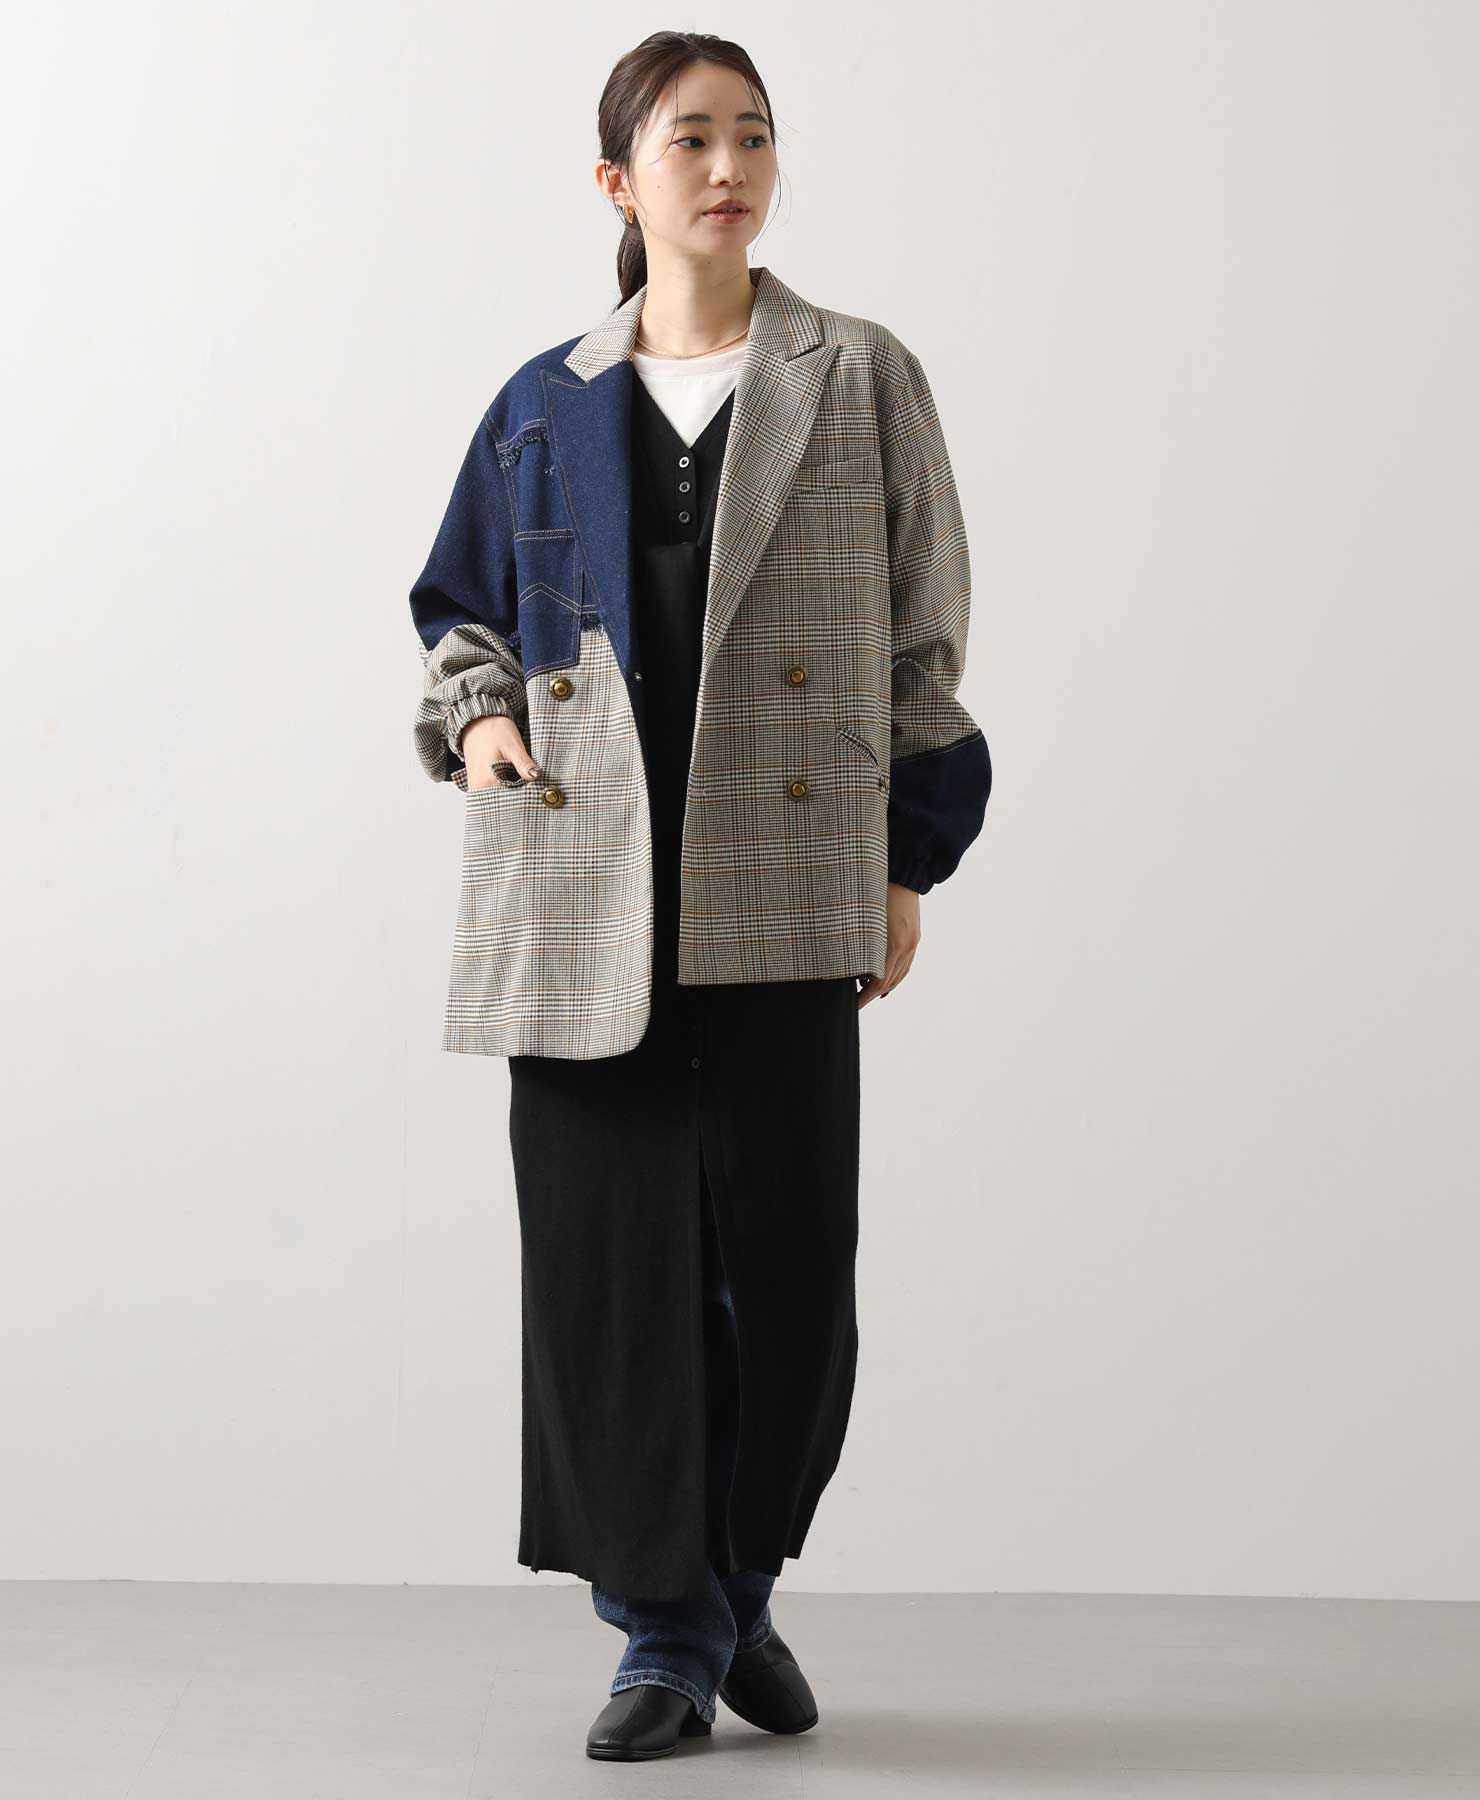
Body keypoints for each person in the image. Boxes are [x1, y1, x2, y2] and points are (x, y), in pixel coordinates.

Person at [408, 31, 992, 1763]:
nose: (728, 167)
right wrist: (481, 718)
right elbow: (457, 610)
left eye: (752, 135)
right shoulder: (542, 401)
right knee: (611, 1279)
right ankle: (664, 1632)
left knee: (778, 1268)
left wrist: (907, 853)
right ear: (619, 180)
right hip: (578, 873)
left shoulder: (858, 374)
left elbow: (924, 635)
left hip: (785, 875)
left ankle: (739, 1583)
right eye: (688, 140)